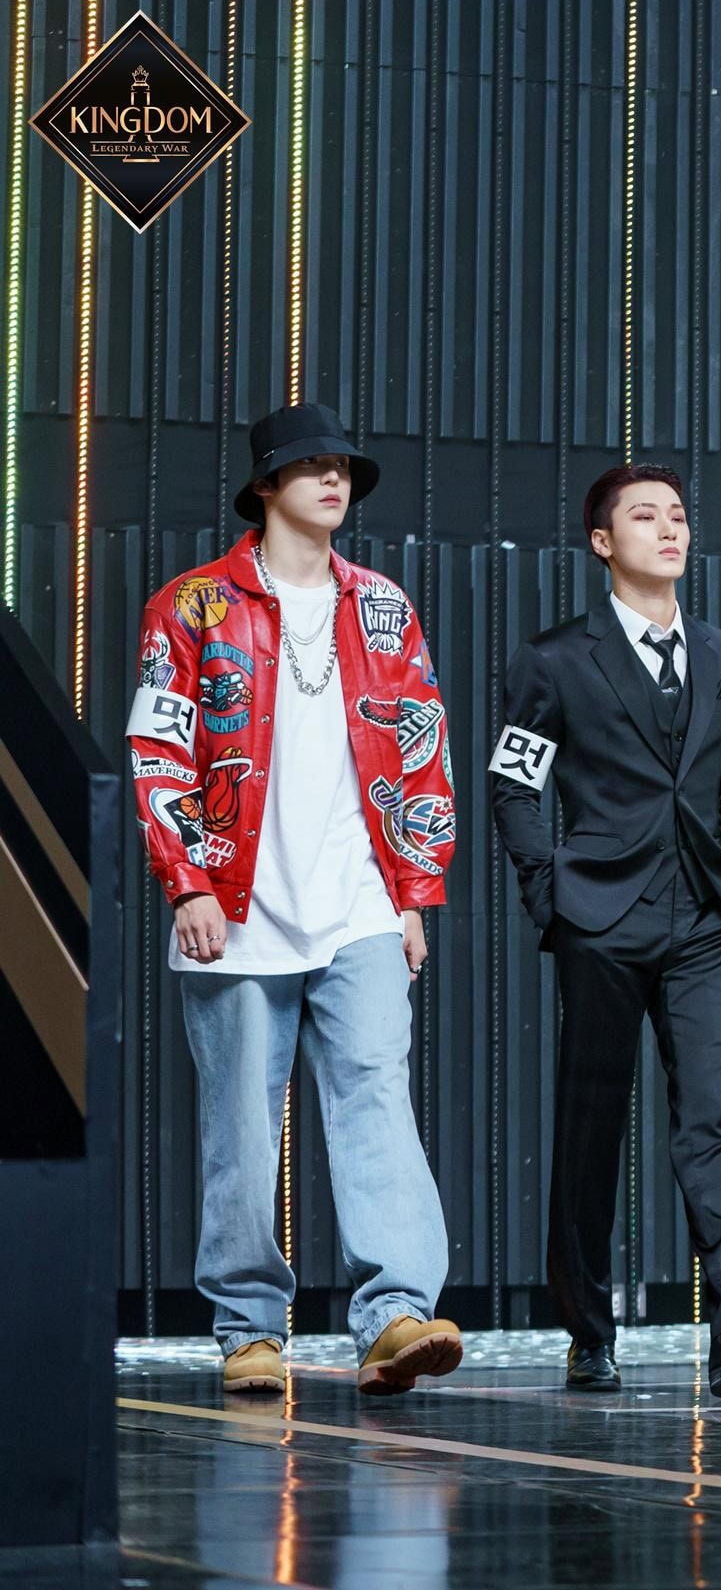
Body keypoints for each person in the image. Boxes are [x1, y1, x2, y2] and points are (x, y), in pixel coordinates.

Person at [128, 402, 461, 1396]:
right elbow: (158, 749)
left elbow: (421, 751)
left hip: (360, 903)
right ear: (267, 485)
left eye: (343, 467)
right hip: (234, 904)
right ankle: (248, 1330)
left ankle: (395, 1314)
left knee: (377, 1102)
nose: (333, 480)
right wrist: (186, 879)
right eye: (311, 465)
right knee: (241, 1123)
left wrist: (412, 895)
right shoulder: (192, 606)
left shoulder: (384, 607)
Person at [488, 463, 721, 1398]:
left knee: (715, 1113)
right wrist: (549, 891)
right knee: (590, 1128)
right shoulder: (555, 659)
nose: (670, 528)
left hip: (709, 914)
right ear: (603, 542)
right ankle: (587, 1329)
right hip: (600, 914)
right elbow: (515, 784)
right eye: (645, 516)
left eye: (678, 514)